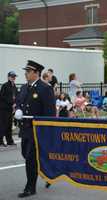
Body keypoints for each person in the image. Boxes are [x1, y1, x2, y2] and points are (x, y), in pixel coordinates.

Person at [14, 60, 56, 198]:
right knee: (26, 154)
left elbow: (50, 112)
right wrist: (19, 110)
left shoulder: (45, 88)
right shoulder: (25, 87)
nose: (25, 74)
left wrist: (47, 131)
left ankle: (30, 187)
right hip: (25, 129)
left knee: (30, 159)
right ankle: (48, 173)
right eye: (26, 71)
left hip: (37, 130)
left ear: (36, 73)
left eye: (28, 72)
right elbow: (20, 101)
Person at [0, 71, 18, 147]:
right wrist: (11, 102)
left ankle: (9, 141)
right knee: (3, 125)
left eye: (14, 77)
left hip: (11, 109)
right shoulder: (5, 85)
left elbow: (16, 96)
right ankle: (0, 141)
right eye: (12, 76)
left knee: (9, 125)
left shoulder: (14, 86)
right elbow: (2, 96)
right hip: (4, 109)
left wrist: (16, 103)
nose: (13, 78)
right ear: (8, 77)